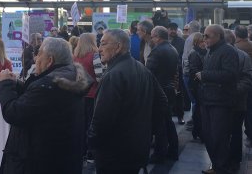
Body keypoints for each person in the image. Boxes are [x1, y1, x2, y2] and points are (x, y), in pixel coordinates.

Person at [0, 37, 91, 174]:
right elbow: (36, 103)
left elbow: (13, 113)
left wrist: (5, 84)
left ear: (50, 60)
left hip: (37, 162)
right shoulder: (66, 79)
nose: (35, 59)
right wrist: (16, 84)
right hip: (59, 160)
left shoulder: (47, 86)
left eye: (39, 54)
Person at [89, 29, 168, 173]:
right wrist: (146, 130)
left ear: (118, 47)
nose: (99, 49)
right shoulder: (142, 69)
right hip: (137, 148)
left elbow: (102, 119)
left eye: (103, 44)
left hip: (115, 152)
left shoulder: (113, 75)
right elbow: (162, 101)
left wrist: (92, 144)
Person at [197, 24, 239, 174]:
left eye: (207, 36)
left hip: (221, 102)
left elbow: (231, 75)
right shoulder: (211, 52)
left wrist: (205, 75)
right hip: (208, 100)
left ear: (218, 36)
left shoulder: (228, 51)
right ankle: (216, 166)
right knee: (209, 136)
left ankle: (221, 168)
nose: (204, 39)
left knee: (219, 137)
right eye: (204, 35)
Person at [146, 26, 180, 163]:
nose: (152, 39)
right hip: (169, 89)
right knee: (167, 121)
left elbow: (148, 73)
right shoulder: (172, 49)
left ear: (158, 37)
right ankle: (173, 150)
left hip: (159, 90)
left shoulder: (157, 51)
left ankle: (160, 154)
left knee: (159, 123)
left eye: (153, 36)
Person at [223, 29, 252, 171]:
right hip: (232, 101)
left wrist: (232, 91)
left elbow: (247, 79)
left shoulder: (241, 56)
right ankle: (229, 160)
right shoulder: (243, 55)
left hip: (234, 101)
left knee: (233, 131)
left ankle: (232, 160)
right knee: (231, 131)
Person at [72, 33, 100, 162]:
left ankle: (80, 150)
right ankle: (90, 152)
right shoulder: (95, 56)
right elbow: (100, 77)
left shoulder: (75, 57)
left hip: (79, 94)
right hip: (93, 94)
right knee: (91, 124)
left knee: (80, 124)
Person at [187, 32, 206, 140]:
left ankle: (197, 131)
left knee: (199, 108)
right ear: (197, 42)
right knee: (199, 108)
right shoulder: (195, 53)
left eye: (204, 41)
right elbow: (194, 70)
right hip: (196, 84)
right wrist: (203, 76)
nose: (204, 43)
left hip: (200, 84)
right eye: (202, 41)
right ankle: (198, 131)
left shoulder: (204, 52)